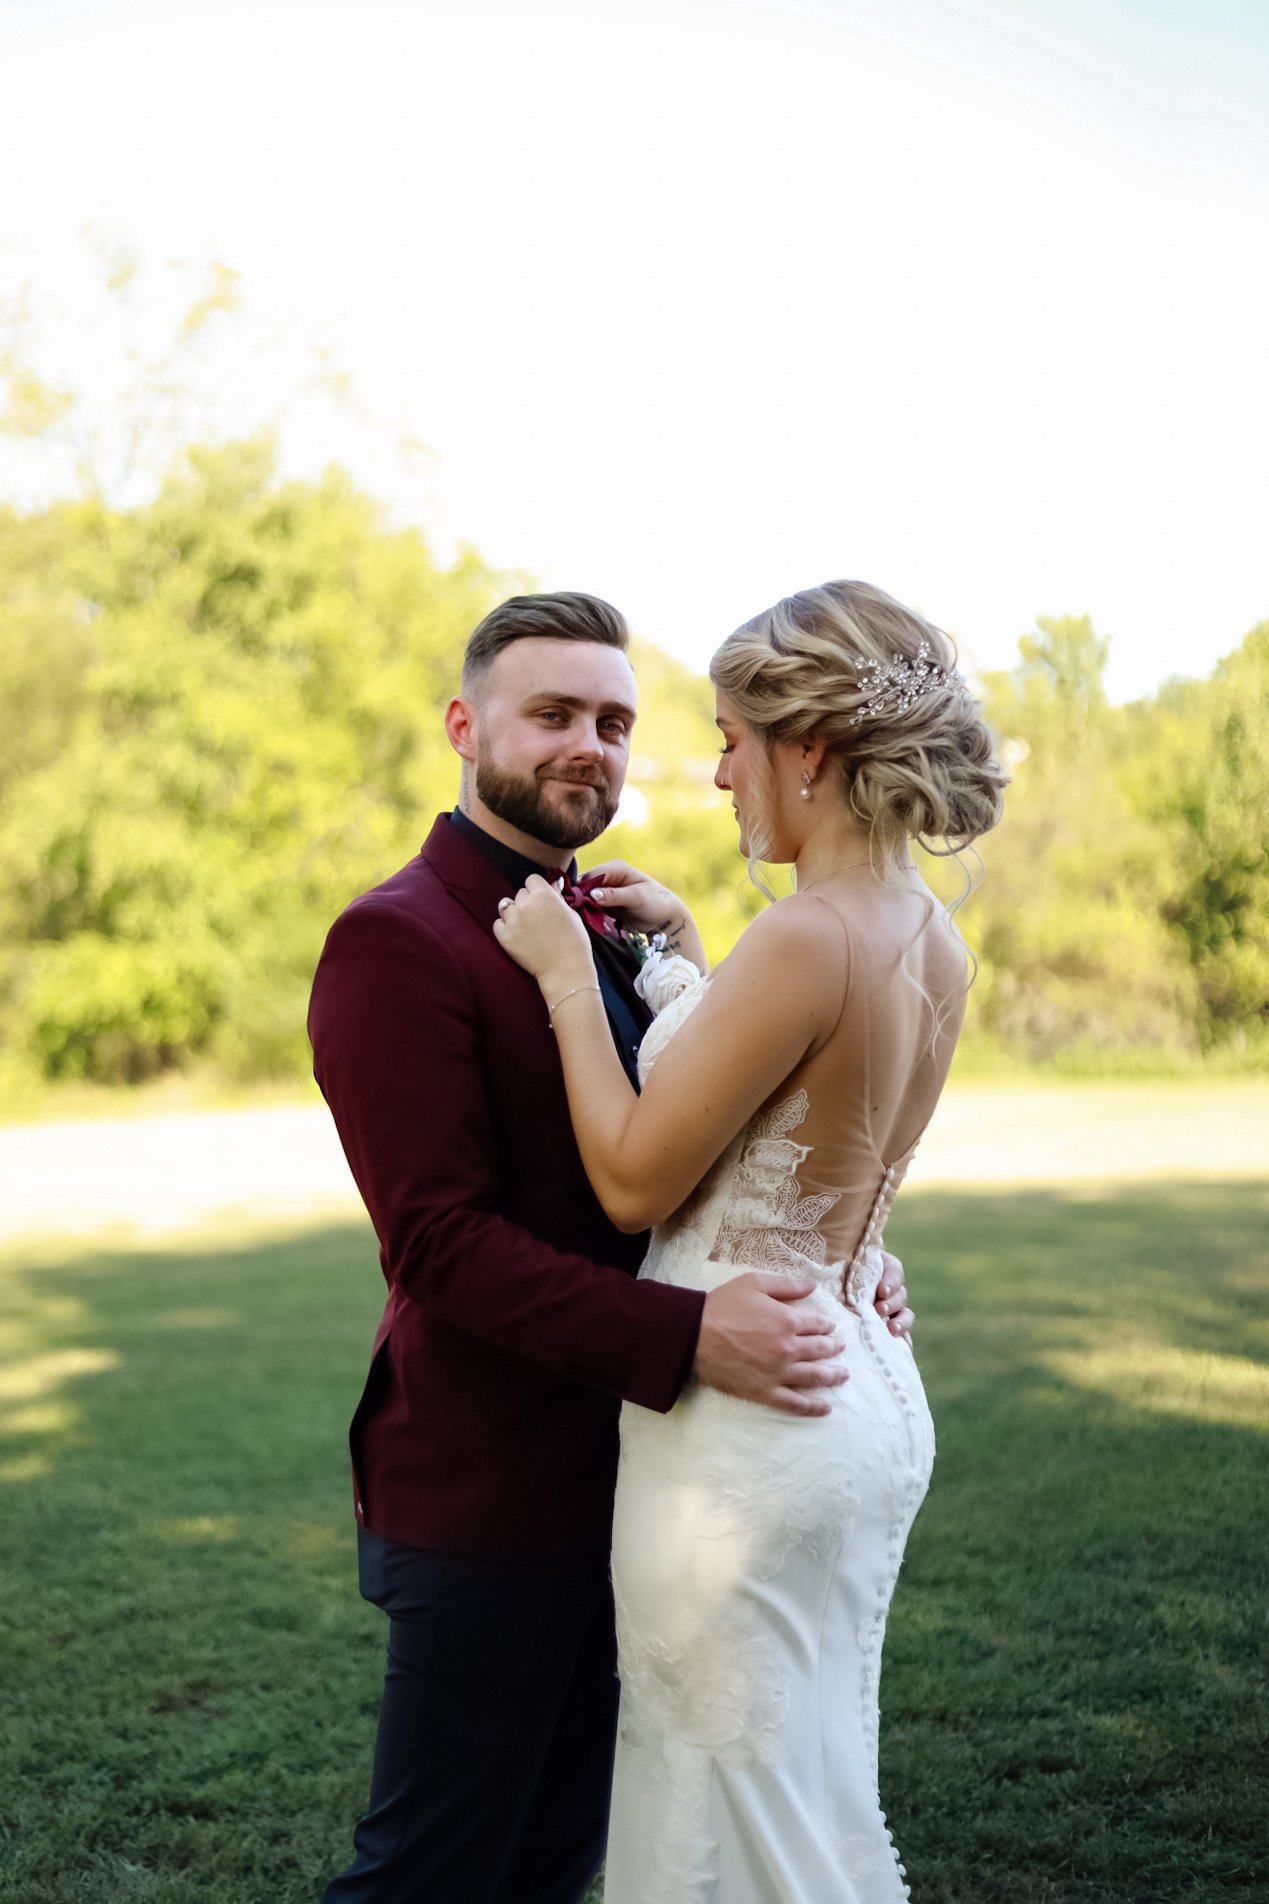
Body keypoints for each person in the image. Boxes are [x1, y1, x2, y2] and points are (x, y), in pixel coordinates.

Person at [308, 590, 915, 1904]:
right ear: (466, 727)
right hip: (491, 1497)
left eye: (615, 720)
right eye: (553, 715)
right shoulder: (394, 941)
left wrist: (832, 1254)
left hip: (659, 1493)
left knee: (561, 1865)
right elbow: (440, 1247)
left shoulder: (611, 926)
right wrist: (694, 1335)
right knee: (431, 1874)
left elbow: (703, 1160)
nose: (591, 743)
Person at [494, 579, 1008, 1904]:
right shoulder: (926, 935)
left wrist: (563, 975)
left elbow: (630, 1181)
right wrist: (681, 962)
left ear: (809, 751)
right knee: (801, 1793)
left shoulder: (803, 936)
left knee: (721, 1813)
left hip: (744, 1434)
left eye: (730, 737)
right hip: (856, 1385)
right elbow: (799, 1124)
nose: (717, 772)